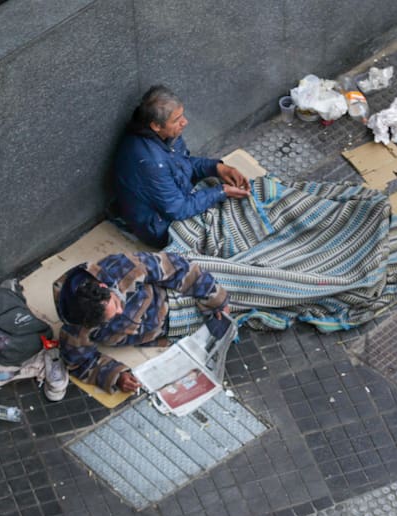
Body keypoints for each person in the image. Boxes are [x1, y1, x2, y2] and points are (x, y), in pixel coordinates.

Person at [53, 251, 228, 393]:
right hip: (167, 331)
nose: (120, 311)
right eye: (112, 316)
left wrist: (215, 297)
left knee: (234, 299)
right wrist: (116, 376)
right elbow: (80, 361)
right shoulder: (76, 327)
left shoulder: (122, 268)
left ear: (104, 287)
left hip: (176, 294)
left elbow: (176, 267)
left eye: (115, 304)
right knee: (214, 334)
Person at [114, 85, 250, 247]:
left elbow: (182, 163)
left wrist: (216, 168)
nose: (185, 122)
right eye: (177, 120)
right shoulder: (149, 162)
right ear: (156, 125)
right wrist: (221, 192)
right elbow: (177, 209)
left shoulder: (165, 134)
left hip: (174, 196)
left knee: (237, 205)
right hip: (157, 226)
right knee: (227, 236)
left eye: (182, 115)